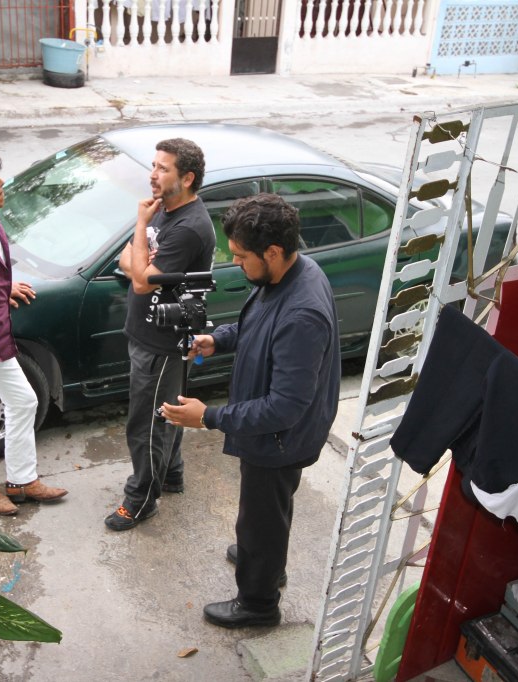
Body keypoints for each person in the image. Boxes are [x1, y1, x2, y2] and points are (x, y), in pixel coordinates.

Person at [160, 193, 341, 628]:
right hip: (275, 432)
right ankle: (265, 560)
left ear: (273, 252)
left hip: (279, 438)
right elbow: (259, 325)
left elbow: (285, 407)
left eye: (242, 257)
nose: (237, 264)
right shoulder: (287, 274)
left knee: (261, 515)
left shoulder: (302, 313)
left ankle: (258, 604)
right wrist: (219, 339)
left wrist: (209, 417)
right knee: (267, 510)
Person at [104, 138, 216, 531]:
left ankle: (140, 500)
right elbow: (126, 259)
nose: (152, 175)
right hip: (148, 333)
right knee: (167, 412)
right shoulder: (163, 211)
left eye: (163, 169)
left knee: (146, 424)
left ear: (187, 178)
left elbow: (140, 281)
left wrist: (140, 230)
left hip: (163, 342)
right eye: (153, 166)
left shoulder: (188, 227)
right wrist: (141, 260)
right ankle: (170, 475)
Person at [0, 149, 68, 516]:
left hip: (0, 340)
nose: (1, 183)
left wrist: (3, 288)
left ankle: (21, 481)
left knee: (23, 402)